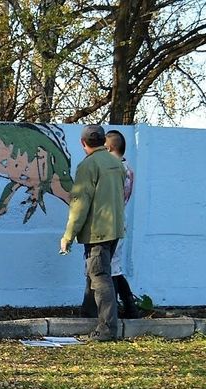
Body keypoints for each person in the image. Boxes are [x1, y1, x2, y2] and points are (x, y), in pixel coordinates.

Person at [61, 124, 126, 341]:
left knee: (99, 278)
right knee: (95, 273)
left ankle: (107, 329)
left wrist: (68, 236)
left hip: (97, 231)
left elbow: (80, 203)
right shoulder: (116, 163)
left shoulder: (88, 166)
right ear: (103, 142)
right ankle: (88, 315)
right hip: (115, 228)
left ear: (83, 143)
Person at [106, 129, 139, 319]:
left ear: (109, 147)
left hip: (112, 220)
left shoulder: (116, 169)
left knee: (112, 268)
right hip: (120, 219)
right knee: (114, 266)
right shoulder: (128, 169)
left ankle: (125, 306)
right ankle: (129, 305)